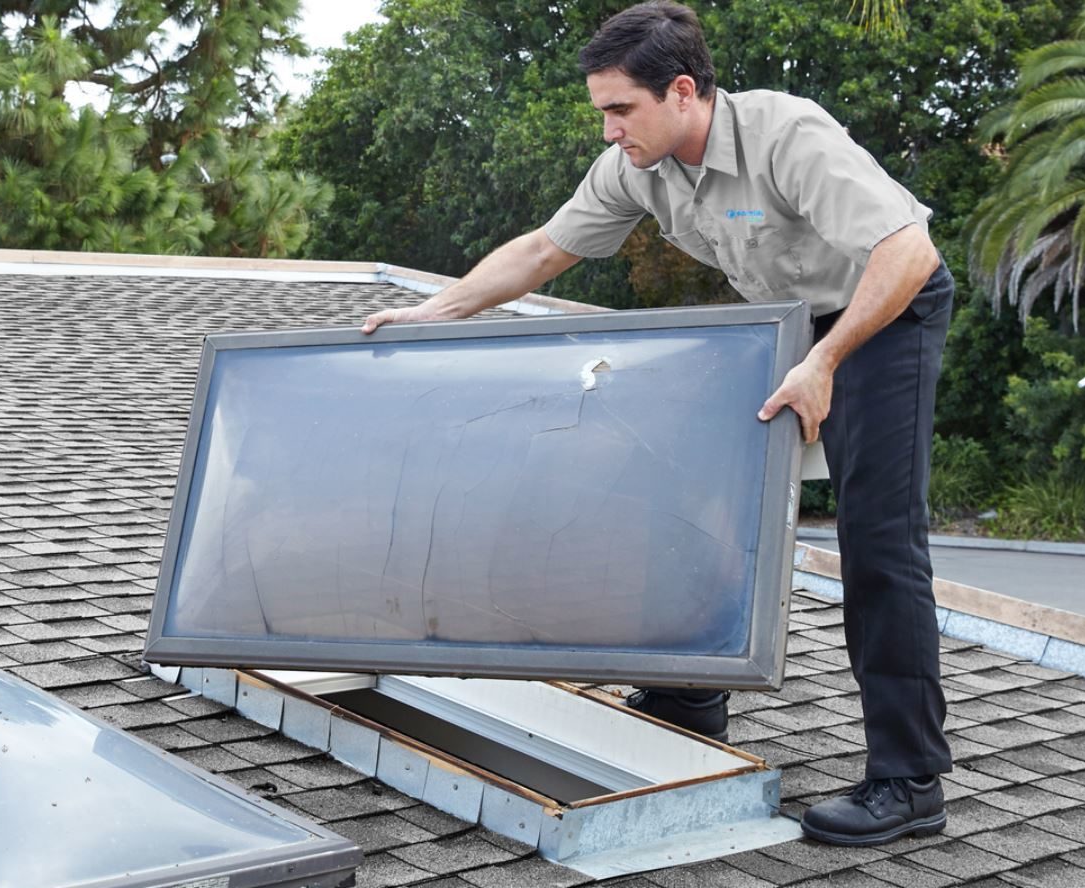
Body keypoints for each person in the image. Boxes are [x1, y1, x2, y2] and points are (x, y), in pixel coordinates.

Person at [359, 0, 954, 847]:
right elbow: (543, 250)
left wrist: (824, 363)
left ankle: (908, 781)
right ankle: (688, 695)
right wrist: (436, 312)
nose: (608, 131)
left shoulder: (787, 135)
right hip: (782, 324)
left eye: (619, 110)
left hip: (884, 310)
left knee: (879, 540)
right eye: (601, 111)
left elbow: (908, 252)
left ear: (681, 91)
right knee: (687, 494)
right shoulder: (636, 166)